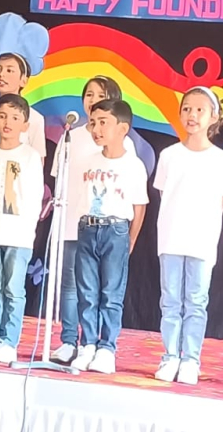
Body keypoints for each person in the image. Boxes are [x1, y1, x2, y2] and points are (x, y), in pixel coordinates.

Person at [49, 76, 136, 363]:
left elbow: (132, 194)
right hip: (74, 219)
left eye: (101, 95)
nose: (93, 100)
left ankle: (102, 345)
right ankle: (70, 341)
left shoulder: (123, 143)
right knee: (73, 286)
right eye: (89, 94)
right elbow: (59, 179)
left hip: (108, 225)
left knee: (105, 289)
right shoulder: (71, 136)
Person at [152, 87, 223, 385]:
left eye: (200, 109)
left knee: (196, 301)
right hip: (171, 237)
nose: (192, 115)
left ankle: (190, 360)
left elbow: (221, 201)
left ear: (213, 117)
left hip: (202, 240)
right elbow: (164, 194)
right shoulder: (169, 155)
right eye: (187, 108)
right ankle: (170, 356)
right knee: (171, 300)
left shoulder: (220, 159)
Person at [69, 99, 148, 374]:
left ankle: (106, 348)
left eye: (103, 123)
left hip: (116, 230)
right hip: (88, 228)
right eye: (93, 123)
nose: (97, 129)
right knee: (87, 292)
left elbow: (139, 206)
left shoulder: (133, 165)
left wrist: (131, 239)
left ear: (122, 128)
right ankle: (87, 344)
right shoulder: (88, 162)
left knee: (111, 293)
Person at [0, 94, 43, 363]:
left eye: (15, 118)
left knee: (13, 289)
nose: (7, 123)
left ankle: (9, 340)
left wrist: (29, 230)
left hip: (18, 234)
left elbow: (35, 196)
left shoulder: (30, 156)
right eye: (2, 116)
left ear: (25, 125)